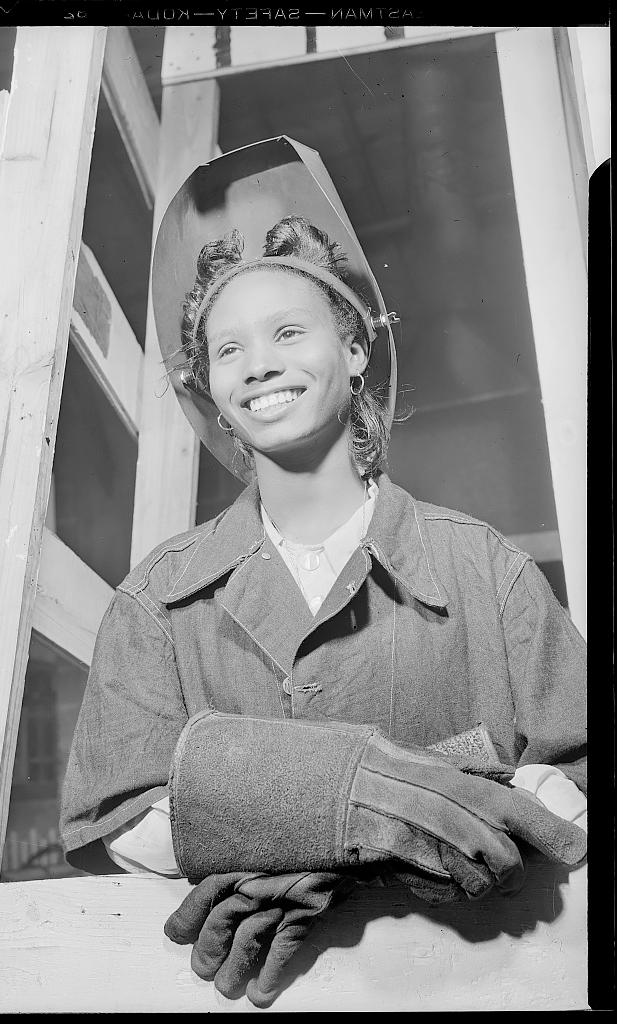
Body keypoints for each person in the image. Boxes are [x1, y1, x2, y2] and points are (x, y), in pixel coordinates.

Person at [60, 138, 587, 1007]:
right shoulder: (155, 603)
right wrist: (379, 805)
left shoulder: (483, 569)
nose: (257, 364)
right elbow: (125, 827)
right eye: (227, 351)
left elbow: (569, 796)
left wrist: (278, 816)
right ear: (213, 390)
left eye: (287, 333)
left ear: (352, 350)